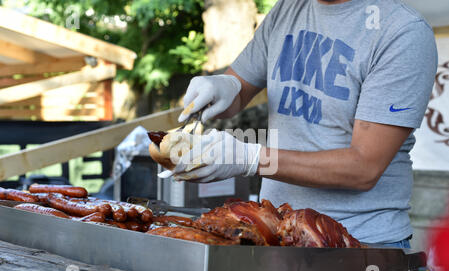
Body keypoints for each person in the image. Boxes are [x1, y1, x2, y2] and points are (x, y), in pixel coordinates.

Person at [159, 0, 438, 248]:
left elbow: (363, 168)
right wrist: (224, 85)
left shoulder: (402, 31)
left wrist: (251, 159)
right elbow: (239, 91)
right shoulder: (288, 8)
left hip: (359, 245)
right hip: (275, 232)